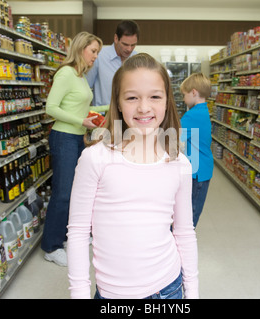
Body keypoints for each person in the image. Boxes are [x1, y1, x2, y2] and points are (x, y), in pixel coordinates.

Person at [66, 53, 199, 299]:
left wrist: (192, 293)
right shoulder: (96, 159)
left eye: (155, 97)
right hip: (112, 294)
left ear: (167, 101)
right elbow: (78, 232)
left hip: (168, 288)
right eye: (132, 97)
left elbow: (184, 232)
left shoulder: (179, 163)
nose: (144, 107)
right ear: (117, 102)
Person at [41, 32, 109, 267]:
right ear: (81, 49)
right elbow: (51, 107)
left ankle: (68, 236)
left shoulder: (80, 76)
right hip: (64, 138)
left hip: (78, 139)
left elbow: (83, 107)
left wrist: (111, 105)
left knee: (77, 191)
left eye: (98, 52)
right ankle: (51, 246)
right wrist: (81, 122)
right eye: (93, 51)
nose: (95, 56)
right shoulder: (66, 73)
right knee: (62, 193)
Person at [180, 73, 214, 227]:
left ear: (194, 92)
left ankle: (182, 245)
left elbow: (172, 139)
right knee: (192, 210)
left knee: (189, 214)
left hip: (196, 173)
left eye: (184, 95)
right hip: (203, 168)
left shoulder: (192, 115)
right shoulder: (203, 110)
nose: (183, 99)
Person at [86, 20, 140, 106]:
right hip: (104, 114)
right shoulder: (99, 57)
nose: (129, 49)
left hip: (129, 114)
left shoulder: (137, 59)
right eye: (125, 44)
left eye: (133, 45)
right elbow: (86, 87)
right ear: (116, 38)